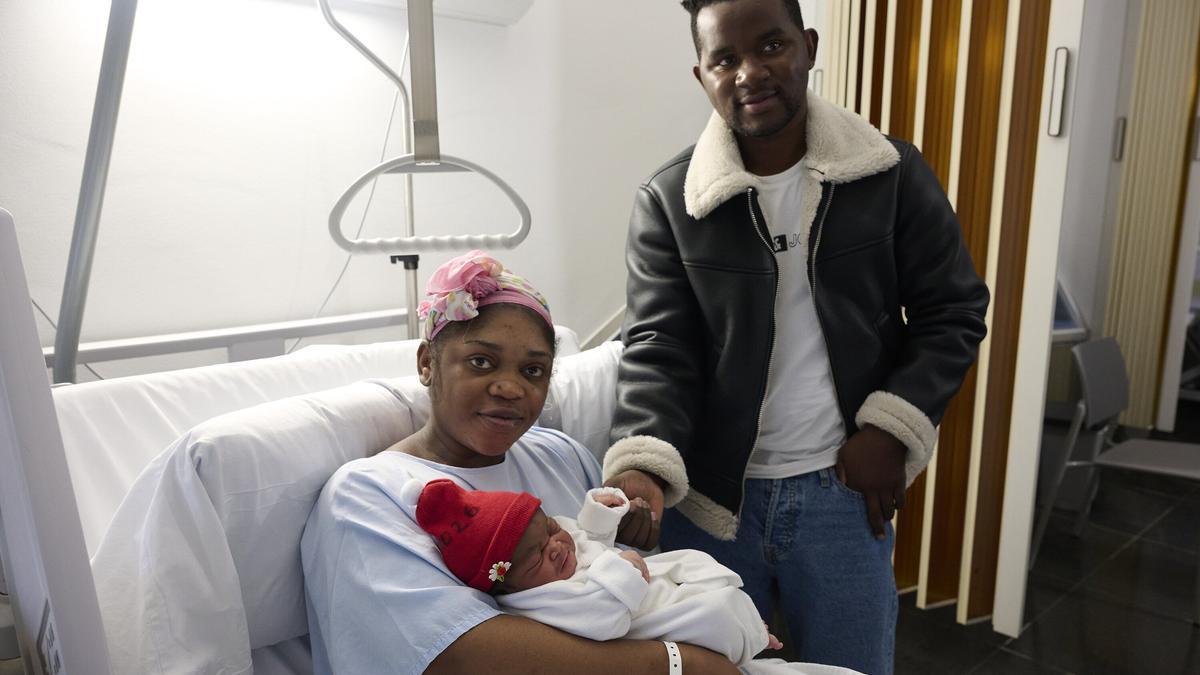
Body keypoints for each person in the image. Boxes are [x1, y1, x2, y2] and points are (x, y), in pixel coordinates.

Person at [608, 1, 991, 673]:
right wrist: (643, 462)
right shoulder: (669, 201)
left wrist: (890, 430)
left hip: (842, 491)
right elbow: (659, 348)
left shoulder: (891, 174)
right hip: (711, 502)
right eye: (725, 59)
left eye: (771, 46)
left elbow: (952, 310)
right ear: (701, 76)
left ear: (808, 46)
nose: (750, 72)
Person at [301, 251, 732, 675]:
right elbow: (456, 655)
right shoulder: (367, 495)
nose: (509, 388)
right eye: (481, 362)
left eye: (533, 371)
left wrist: (628, 531)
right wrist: (679, 663)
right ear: (427, 363)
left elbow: (627, 586)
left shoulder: (559, 454)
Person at [409, 479, 859, 675]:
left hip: (659, 590)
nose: (557, 546)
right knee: (714, 613)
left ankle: (754, 633)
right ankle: (750, 637)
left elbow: (582, 536)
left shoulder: (551, 552)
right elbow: (603, 619)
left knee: (698, 568)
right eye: (537, 557)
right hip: (654, 623)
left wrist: (599, 514)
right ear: (503, 583)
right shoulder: (539, 604)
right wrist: (619, 569)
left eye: (549, 530)